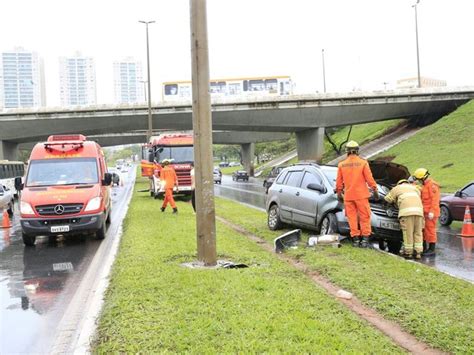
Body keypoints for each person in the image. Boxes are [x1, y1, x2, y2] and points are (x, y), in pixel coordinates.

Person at [336, 141, 379, 248]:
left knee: (352, 218)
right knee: (365, 217)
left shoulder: (342, 164)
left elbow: (339, 182)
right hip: (361, 196)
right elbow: (369, 179)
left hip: (349, 196)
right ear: (357, 150)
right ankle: (364, 240)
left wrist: (339, 193)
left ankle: (355, 240)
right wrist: (375, 190)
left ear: (346, 151)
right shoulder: (363, 163)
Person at [384, 179, 424, 259]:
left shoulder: (397, 188)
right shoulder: (414, 188)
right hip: (419, 212)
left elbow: (387, 199)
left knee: (408, 233)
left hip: (406, 213)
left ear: (399, 184)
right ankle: (418, 253)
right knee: (418, 232)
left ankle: (408, 253)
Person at [412, 168, 440, 256]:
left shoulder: (432, 186)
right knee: (423, 230)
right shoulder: (424, 185)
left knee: (430, 230)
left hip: (431, 213)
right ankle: (424, 248)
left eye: (418, 179)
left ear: (422, 178)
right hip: (424, 212)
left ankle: (432, 249)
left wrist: (431, 211)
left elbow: (435, 200)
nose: (418, 181)